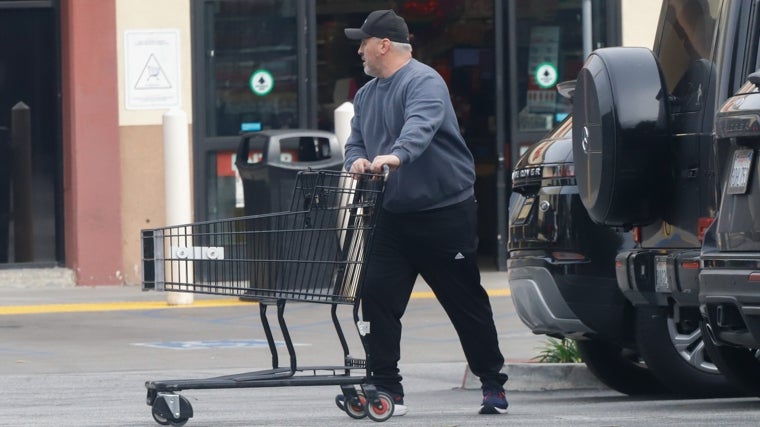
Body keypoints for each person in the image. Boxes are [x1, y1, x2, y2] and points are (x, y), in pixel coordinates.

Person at [336, 9, 509, 416]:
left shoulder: (425, 81)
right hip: (390, 215)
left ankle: (492, 383)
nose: (358, 49)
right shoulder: (365, 94)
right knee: (375, 296)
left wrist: (396, 156)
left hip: (442, 213)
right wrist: (357, 161)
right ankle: (387, 387)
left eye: (363, 42)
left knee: (464, 301)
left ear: (383, 45)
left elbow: (421, 126)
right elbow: (355, 142)